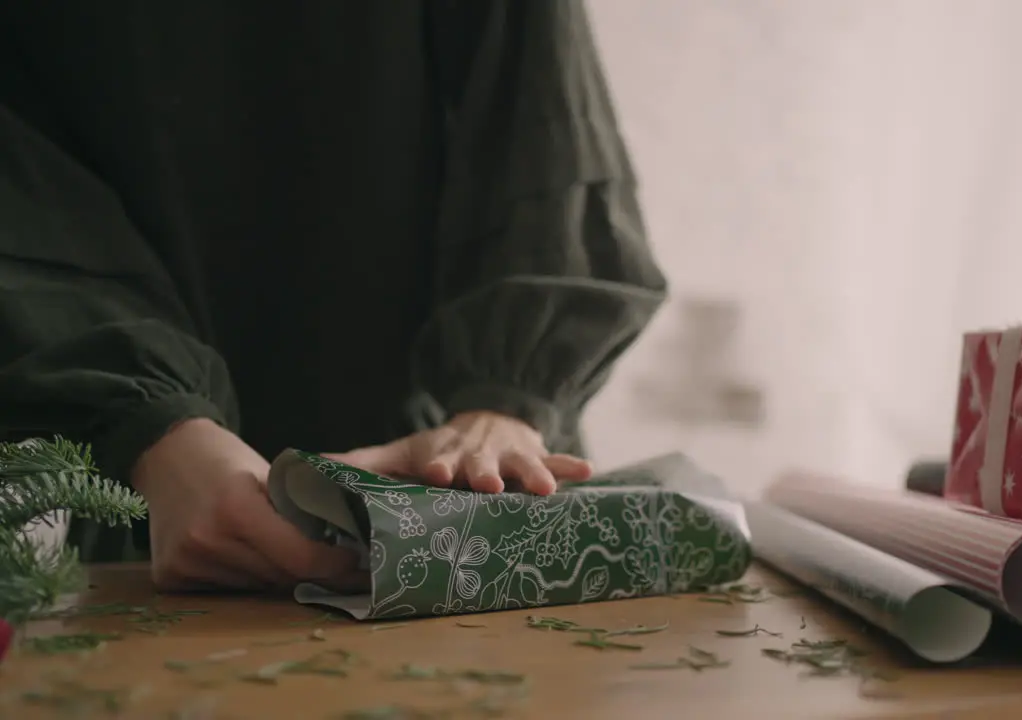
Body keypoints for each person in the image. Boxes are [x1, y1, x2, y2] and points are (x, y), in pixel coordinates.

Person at [0, 2, 666, 593]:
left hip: (456, 488)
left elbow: (542, 106)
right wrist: (157, 431)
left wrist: (500, 408)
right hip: (151, 501)